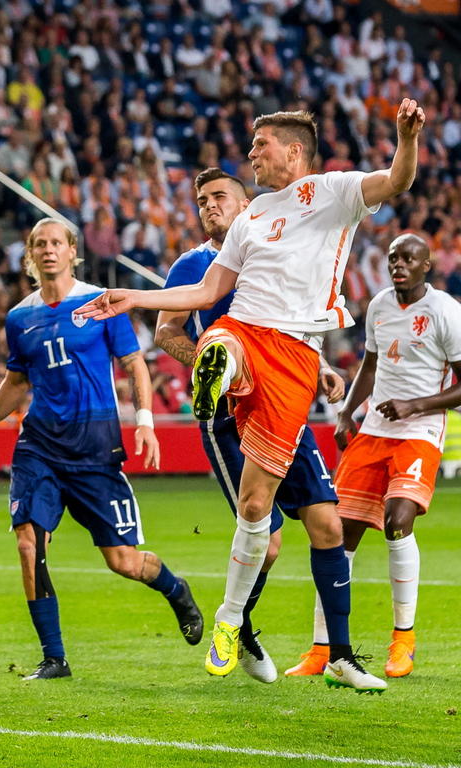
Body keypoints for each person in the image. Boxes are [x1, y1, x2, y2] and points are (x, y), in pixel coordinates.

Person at [77, 99, 425, 692]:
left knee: (258, 508)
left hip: (295, 354)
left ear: (292, 150)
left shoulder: (333, 191)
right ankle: (223, 371)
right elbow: (212, 287)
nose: (251, 154)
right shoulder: (253, 215)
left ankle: (233, 620)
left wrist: (405, 137)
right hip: (244, 328)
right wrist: (132, 297)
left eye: (259, 145)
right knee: (223, 340)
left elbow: (396, 179)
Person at [0, 218, 203, 681]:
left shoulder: (101, 303)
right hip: (40, 446)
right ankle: (54, 658)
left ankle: (176, 590)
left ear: (72, 252)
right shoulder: (19, 318)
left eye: (57, 243)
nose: (49, 250)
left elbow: (134, 365)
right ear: (31, 256)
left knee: (124, 562)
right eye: (39, 244)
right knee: (29, 544)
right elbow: (17, 381)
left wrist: (145, 423)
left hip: (95, 450)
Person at [154, 168, 343, 684]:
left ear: (246, 205)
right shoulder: (192, 266)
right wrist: (203, 365)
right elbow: (164, 330)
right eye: (202, 199)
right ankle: (240, 626)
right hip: (225, 417)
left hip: (282, 399)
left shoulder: (271, 253)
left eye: (219, 196)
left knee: (328, 523)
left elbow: (289, 324)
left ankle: (339, 654)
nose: (209, 205)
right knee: (271, 536)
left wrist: (319, 367)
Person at [291, 234, 461, 679]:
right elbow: (370, 365)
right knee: (335, 533)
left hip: (419, 431)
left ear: (427, 266)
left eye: (409, 258)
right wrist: (348, 413)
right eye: (393, 258)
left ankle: (403, 640)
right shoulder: (381, 307)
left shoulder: (446, 312)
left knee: (397, 519)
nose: (398, 264)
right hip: (374, 430)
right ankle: (320, 649)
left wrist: (415, 405)